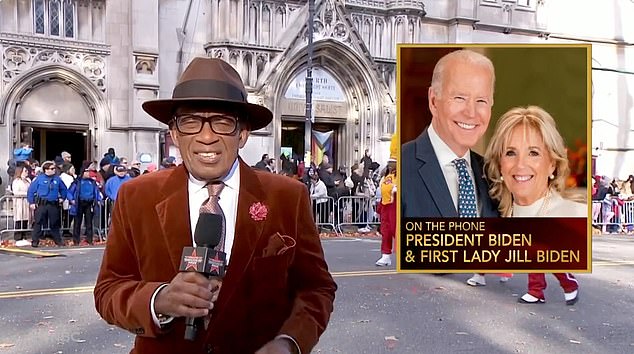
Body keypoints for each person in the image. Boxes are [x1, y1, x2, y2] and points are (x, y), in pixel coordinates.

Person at [94, 57, 336, 354]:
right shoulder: (137, 196)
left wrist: (290, 343)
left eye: (222, 122)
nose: (206, 137)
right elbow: (108, 291)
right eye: (191, 121)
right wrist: (159, 299)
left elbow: (316, 289)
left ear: (243, 134)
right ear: (174, 134)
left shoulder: (288, 197)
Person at [400, 49, 501, 283]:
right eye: (460, 98)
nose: (471, 112)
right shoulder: (406, 165)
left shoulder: (491, 173)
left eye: (481, 101)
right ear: (434, 101)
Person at [484, 105, 585, 305]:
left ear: (552, 164)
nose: (520, 164)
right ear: (500, 164)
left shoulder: (572, 211)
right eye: (511, 153)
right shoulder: (504, 207)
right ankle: (538, 291)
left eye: (534, 153)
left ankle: (567, 284)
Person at [26, 160, 68, 247]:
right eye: (52, 168)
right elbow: (31, 190)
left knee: (54, 223)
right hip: (42, 204)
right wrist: (31, 202)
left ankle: (58, 240)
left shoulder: (57, 179)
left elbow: (64, 189)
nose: (54, 170)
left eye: (54, 168)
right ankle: (35, 241)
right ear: (46, 170)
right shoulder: (39, 178)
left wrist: (62, 198)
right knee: (38, 222)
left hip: (53, 204)